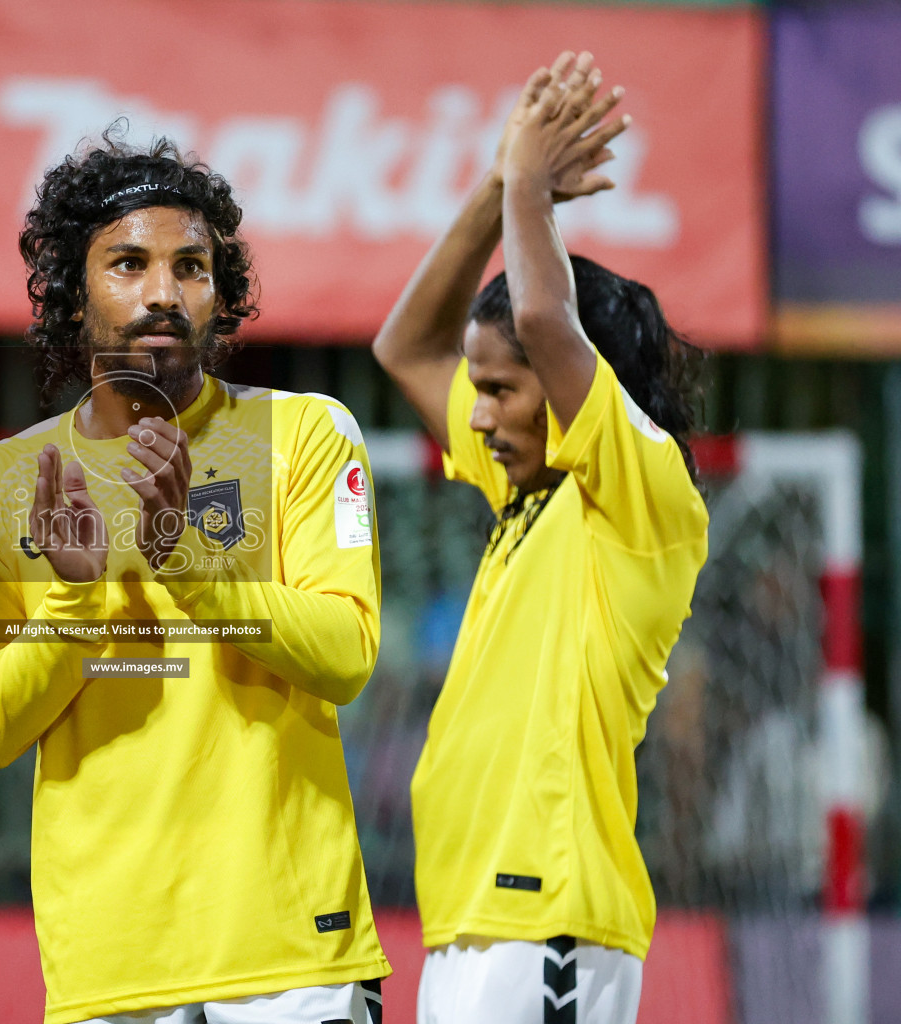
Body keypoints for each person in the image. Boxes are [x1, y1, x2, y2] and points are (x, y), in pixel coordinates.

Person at [0, 135, 387, 1024]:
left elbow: (347, 656)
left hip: (289, 954)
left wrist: (190, 565)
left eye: (191, 266)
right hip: (110, 965)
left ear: (220, 293)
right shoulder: (1, 481)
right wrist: (72, 606)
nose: (162, 292)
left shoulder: (305, 435)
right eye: (129, 263)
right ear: (72, 294)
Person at [372, 52, 709, 1024]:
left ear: (567, 387)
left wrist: (528, 177)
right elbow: (405, 346)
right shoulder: (530, 491)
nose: (475, 416)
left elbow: (540, 315)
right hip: (473, 918)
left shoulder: (641, 493)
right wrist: (491, 188)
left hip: (551, 918)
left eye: (499, 390)